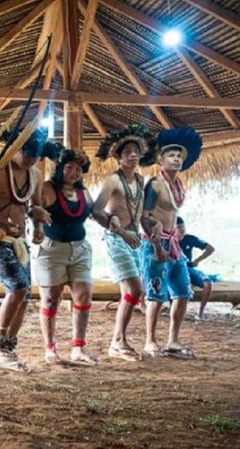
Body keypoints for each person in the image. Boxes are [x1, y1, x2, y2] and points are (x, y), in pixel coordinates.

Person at [0, 127, 58, 372]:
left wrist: (38, 224)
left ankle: (8, 346)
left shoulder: (35, 175)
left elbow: (34, 206)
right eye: (27, 153)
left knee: (24, 296)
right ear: (15, 147)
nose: (31, 158)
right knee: (18, 288)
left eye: (36, 155)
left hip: (19, 243)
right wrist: (0, 223)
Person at [92, 125, 156, 362]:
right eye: (127, 151)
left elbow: (141, 215)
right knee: (135, 289)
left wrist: (151, 227)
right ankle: (118, 341)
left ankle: (118, 342)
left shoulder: (140, 181)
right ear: (118, 156)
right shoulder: (113, 181)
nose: (133, 155)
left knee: (131, 292)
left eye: (136, 151)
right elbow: (96, 211)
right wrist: (117, 228)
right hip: (116, 239)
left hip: (135, 239)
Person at [140, 127, 202, 359]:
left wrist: (181, 223)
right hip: (154, 246)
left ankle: (173, 340)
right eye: (171, 155)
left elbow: (172, 211)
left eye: (179, 156)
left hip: (174, 246)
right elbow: (144, 216)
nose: (176, 159)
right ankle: (150, 341)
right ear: (160, 159)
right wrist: (156, 246)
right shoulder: (155, 185)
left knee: (183, 292)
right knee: (156, 295)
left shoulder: (179, 185)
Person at [33, 148, 97, 365]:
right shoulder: (47, 188)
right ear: (59, 168)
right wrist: (37, 227)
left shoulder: (84, 193)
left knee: (84, 294)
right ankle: (50, 347)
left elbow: (97, 213)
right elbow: (34, 209)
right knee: (51, 299)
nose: (73, 172)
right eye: (69, 167)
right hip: (52, 251)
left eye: (78, 169)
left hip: (80, 250)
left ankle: (78, 347)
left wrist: (116, 223)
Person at [175, 216, 216, 321]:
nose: (182, 230)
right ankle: (175, 311)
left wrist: (197, 260)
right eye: (179, 228)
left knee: (208, 283)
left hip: (188, 269)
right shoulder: (168, 241)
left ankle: (201, 312)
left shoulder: (190, 239)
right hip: (173, 270)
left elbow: (210, 248)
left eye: (183, 227)